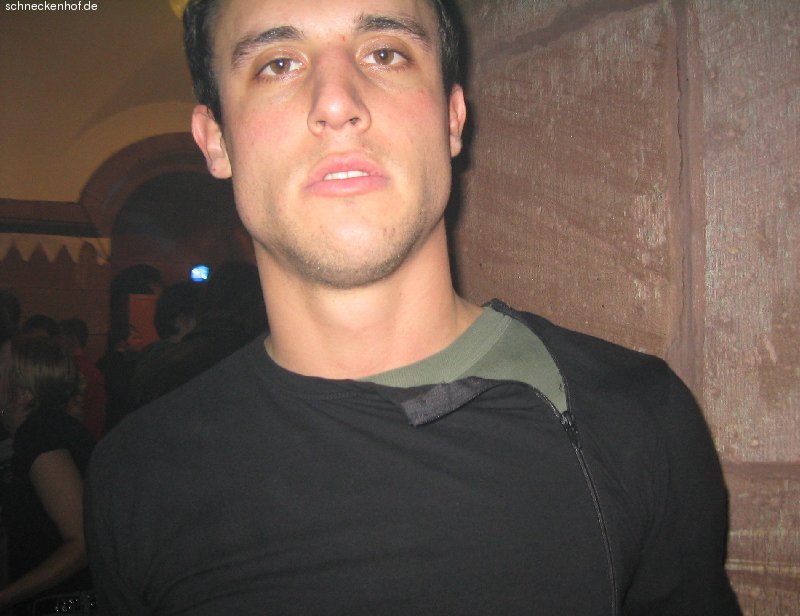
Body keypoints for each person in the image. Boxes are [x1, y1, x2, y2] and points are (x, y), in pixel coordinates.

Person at [84, 0, 742, 614]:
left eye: (385, 53)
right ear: (216, 141)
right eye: (278, 64)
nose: (336, 103)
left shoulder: (635, 419)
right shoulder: (138, 477)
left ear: (452, 119)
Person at [0, 334, 95, 615]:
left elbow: (81, 543)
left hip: (61, 607)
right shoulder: (46, 430)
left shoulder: (40, 434)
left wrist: (6, 597)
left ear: (22, 393)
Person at [60, 318, 107, 441]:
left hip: (77, 439)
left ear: (71, 338)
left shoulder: (75, 369)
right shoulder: (91, 371)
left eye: (60, 336)